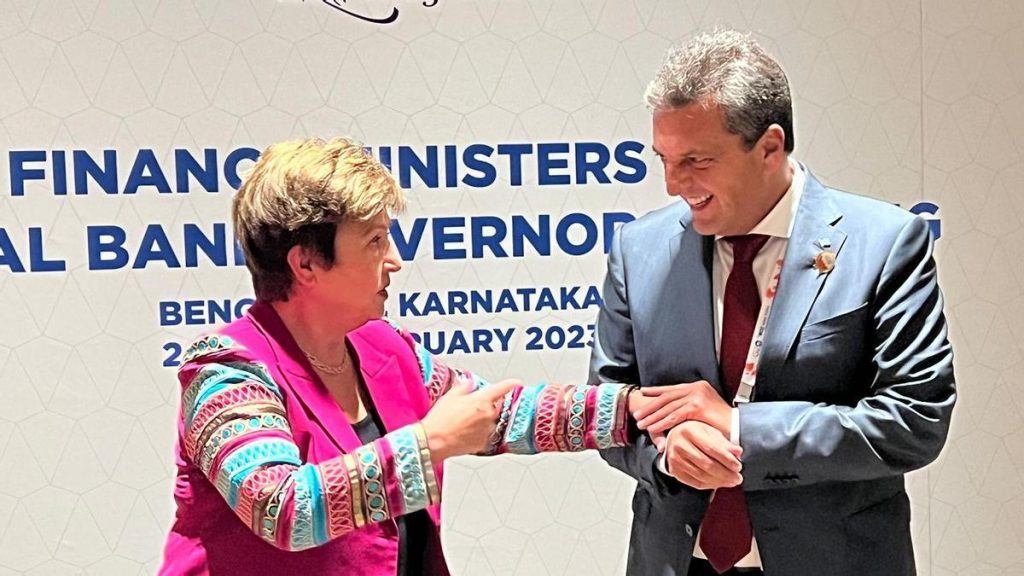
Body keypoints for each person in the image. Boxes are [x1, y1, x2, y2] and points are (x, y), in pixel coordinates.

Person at [158, 137, 667, 575]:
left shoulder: (383, 346)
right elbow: (282, 507)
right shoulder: (227, 371)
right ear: (306, 263)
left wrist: (635, 409)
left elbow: (498, 413)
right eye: (375, 241)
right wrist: (429, 442)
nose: (395, 260)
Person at [589, 29, 956, 576]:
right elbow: (607, 406)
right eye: (663, 158)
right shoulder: (637, 248)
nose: (673, 184)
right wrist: (666, 454)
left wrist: (740, 430)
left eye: (696, 160)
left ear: (769, 147)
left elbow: (915, 419)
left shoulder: (885, 243)